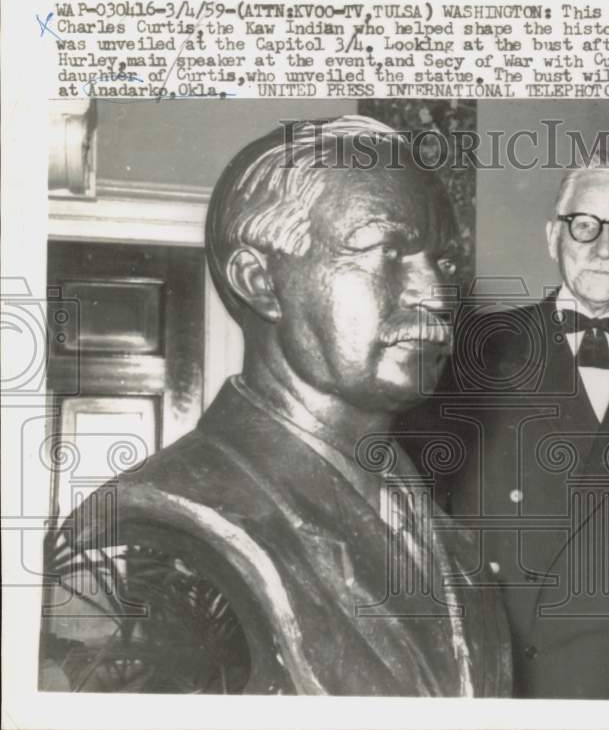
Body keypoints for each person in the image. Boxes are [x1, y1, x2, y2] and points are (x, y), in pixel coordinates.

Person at [39, 116, 511, 696]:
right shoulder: (147, 539)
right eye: (386, 250)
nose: (437, 295)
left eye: (444, 263)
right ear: (260, 281)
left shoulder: (456, 551)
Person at [401, 156, 609, 699]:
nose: (605, 249)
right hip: (494, 667)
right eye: (585, 226)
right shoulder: (466, 352)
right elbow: (414, 515)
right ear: (554, 236)